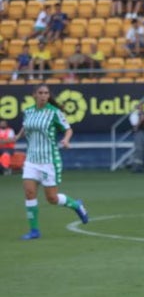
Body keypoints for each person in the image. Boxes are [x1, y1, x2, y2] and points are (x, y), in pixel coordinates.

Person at [12, 85, 89, 240]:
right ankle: (34, 231)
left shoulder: (54, 112)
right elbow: (22, 132)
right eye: (40, 93)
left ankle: (76, 205)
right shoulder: (28, 112)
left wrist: (66, 140)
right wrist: (12, 138)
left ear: (48, 96)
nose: (43, 95)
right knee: (29, 193)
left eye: (46, 93)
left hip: (48, 161)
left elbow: (68, 129)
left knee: (52, 199)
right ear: (34, 95)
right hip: (31, 160)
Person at [128, 102, 144, 173]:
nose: (142, 108)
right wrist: (141, 120)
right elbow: (135, 128)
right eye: (141, 106)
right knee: (138, 149)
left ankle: (140, 167)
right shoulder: (134, 115)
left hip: (142, 132)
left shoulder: (143, 114)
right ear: (137, 107)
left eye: (143, 106)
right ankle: (135, 168)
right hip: (137, 133)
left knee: (142, 149)